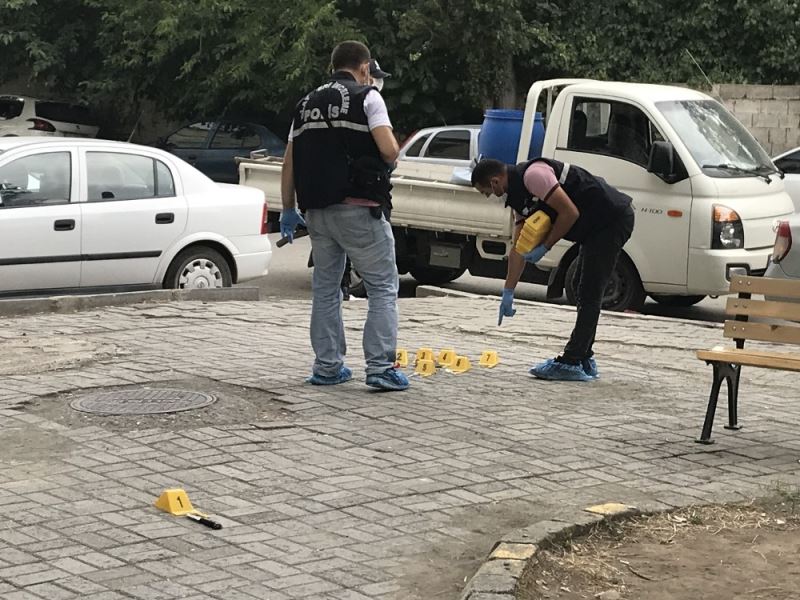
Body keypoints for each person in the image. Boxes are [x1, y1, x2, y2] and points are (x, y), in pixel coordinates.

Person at [279, 40, 408, 391]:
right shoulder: (369, 97)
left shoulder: (305, 104)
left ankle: (327, 367)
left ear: (332, 66)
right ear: (364, 68)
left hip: (317, 212)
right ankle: (380, 367)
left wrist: (288, 208)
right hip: (360, 209)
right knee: (383, 286)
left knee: (326, 289)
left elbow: (289, 161)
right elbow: (389, 150)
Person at [471, 158, 635, 382]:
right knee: (580, 286)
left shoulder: (534, 176)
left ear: (495, 182)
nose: (490, 196)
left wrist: (546, 246)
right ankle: (584, 357)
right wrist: (508, 291)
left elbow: (569, 212)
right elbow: (519, 249)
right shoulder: (520, 199)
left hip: (612, 219)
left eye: (486, 192)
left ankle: (572, 361)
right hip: (595, 226)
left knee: (589, 290)